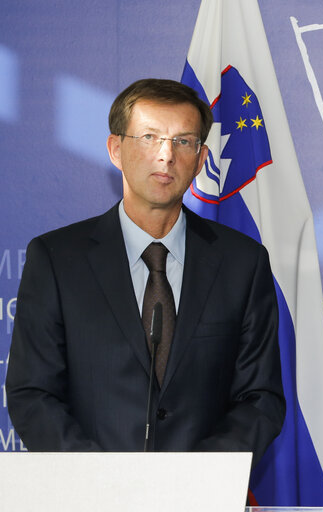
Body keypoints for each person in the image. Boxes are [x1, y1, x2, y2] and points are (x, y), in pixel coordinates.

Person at [6, 79, 285, 457]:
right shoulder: (56, 259)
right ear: (116, 149)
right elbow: (33, 392)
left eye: (183, 141)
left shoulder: (243, 263)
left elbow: (260, 397)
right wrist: (104, 482)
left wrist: (196, 479)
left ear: (201, 160)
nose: (166, 156)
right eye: (149, 138)